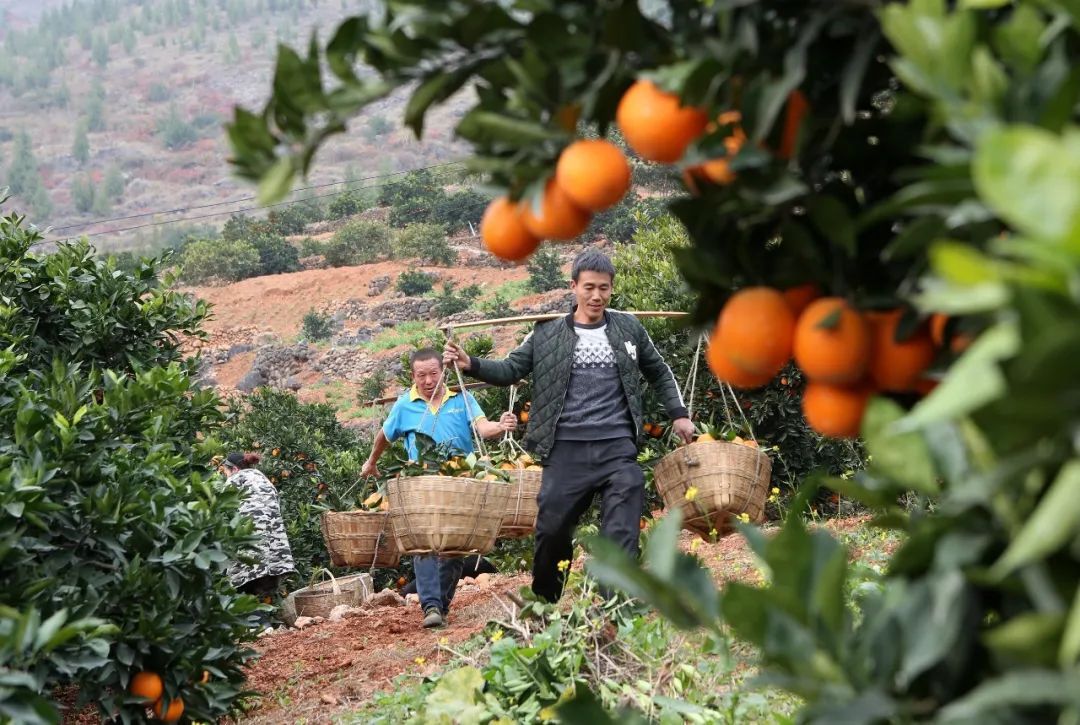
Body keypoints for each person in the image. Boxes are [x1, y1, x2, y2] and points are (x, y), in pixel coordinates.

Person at [444, 248, 695, 604]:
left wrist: (679, 413)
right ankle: (546, 600)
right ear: (573, 286)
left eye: (604, 288)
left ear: (611, 289)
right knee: (552, 531)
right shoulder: (546, 334)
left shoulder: (629, 328)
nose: (597, 296)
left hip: (617, 447)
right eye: (589, 287)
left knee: (623, 524)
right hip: (564, 451)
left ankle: (616, 603)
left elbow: (658, 370)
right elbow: (510, 370)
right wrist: (472, 364)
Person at [361, 347, 518, 628]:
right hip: (421, 484)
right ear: (413, 376)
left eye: (434, 373)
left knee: (454, 547)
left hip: (459, 482)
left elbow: (483, 428)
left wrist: (501, 425)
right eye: (422, 375)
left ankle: (439, 606)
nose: (429, 380)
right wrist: (371, 462)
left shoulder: (461, 398)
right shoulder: (404, 404)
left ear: (442, 371)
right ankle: (431, 606)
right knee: (424, 545)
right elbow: (384, 435)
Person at [217, 452, 296, 622]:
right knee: (252, 584)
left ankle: (260, 625)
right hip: (274, 545)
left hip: (250, 540)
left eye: (225, 471)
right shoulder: (263, 479)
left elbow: (222, 513)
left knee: (235, 584)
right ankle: (262, 624)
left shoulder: (235, 481)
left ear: (235, 469)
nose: (225, 475)